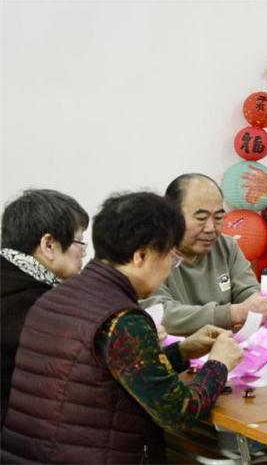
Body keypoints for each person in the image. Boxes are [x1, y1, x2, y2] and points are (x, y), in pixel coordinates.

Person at [1, 192, 243, 463]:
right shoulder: (121, 318)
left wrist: (183, 350)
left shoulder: (60, 295)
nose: (169, 269)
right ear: (141, 256)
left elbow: (111, 373)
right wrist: (219, 364)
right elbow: (178, 412)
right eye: (170, 259)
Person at [141, 173, 267, 335]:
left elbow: (247, 292)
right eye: (201, 218)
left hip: (224, 350)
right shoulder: (150, 253)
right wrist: (232, 313)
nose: (211, 228)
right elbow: (160, 314)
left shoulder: (226, 246)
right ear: (171, 215)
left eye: (218, 218)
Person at [0, 189, 89, 427]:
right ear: (48, 245)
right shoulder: (39, 307)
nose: (84, 254)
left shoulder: (11, 280)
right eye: (80, 242)